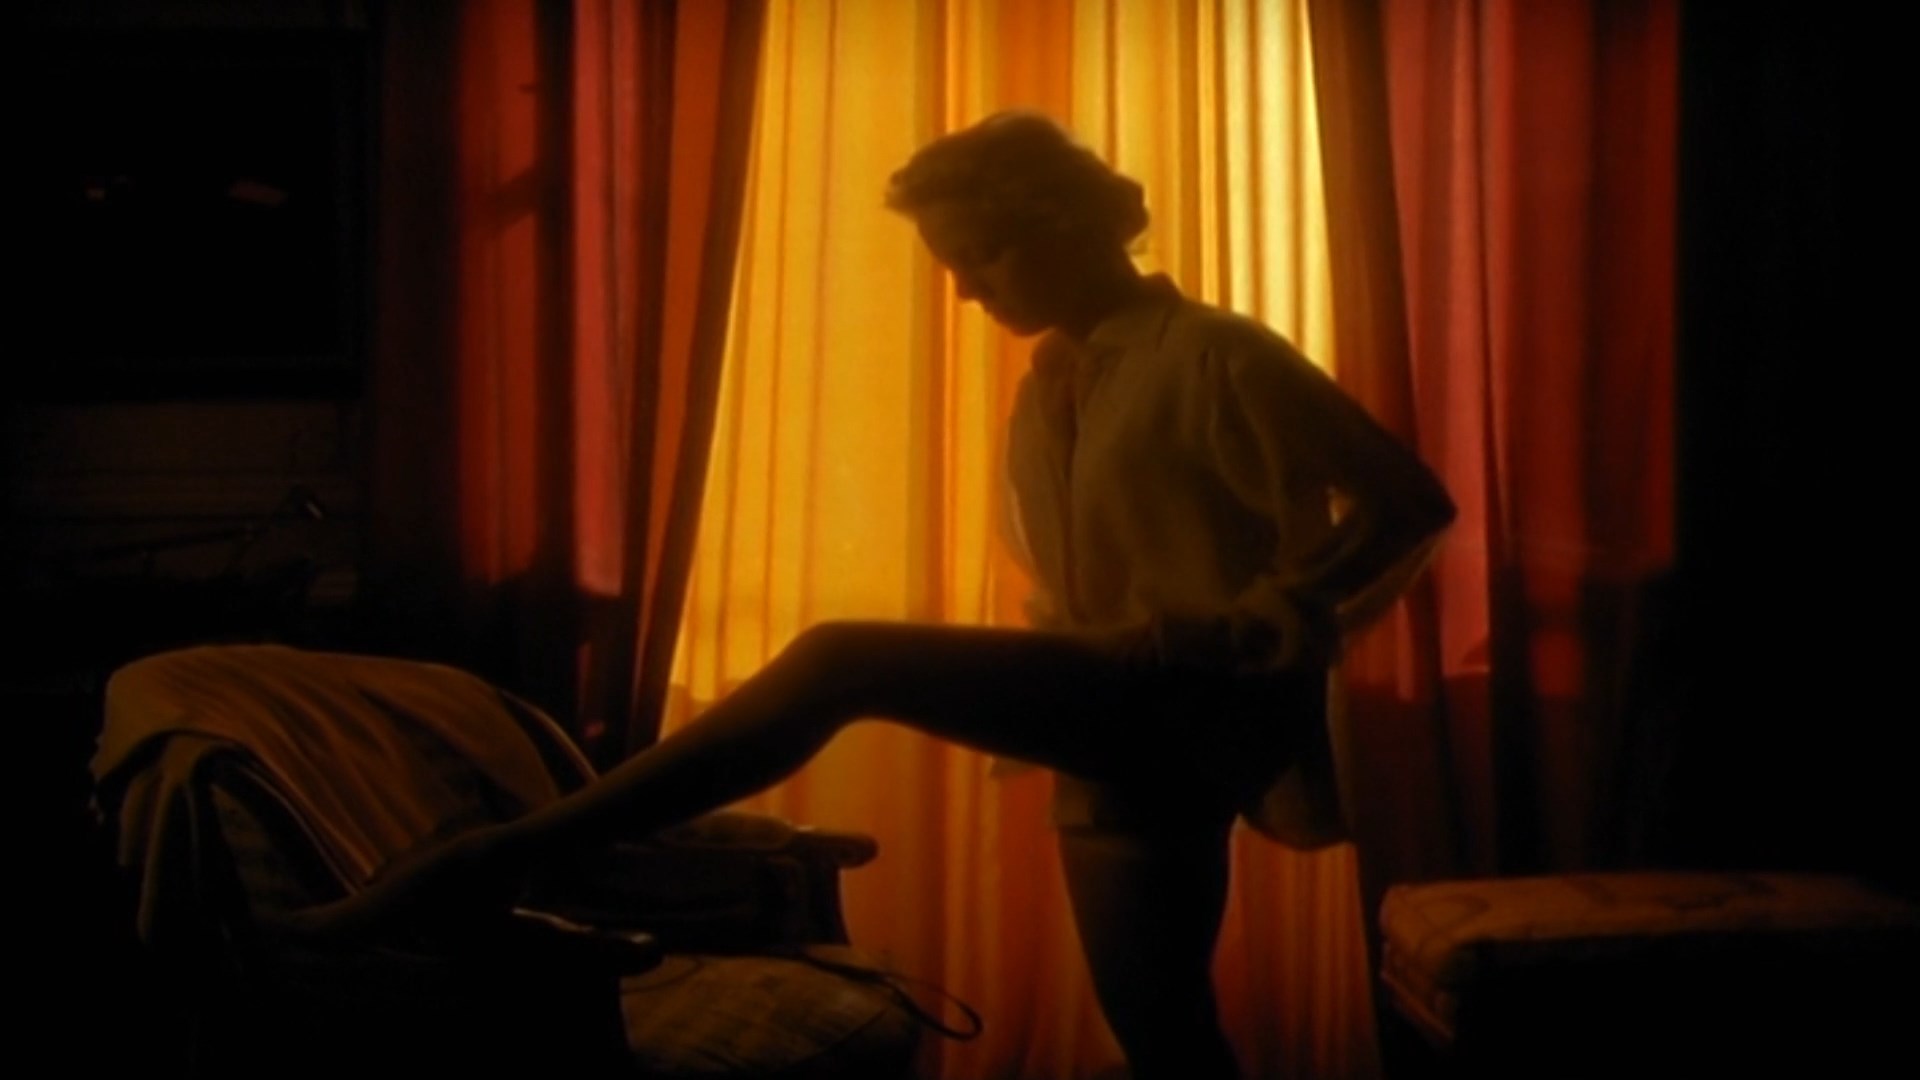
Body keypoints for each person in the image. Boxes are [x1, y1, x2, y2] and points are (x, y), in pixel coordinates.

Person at [297, 112, 1455, 1080]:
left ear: (1062, 226)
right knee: (1163, 1033)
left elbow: (1408, 501)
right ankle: (492, 867)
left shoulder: (1219, 353)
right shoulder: (1054, 381)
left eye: (981, 257)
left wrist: (1275, 610)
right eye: (951, 265)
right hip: (1113, 720)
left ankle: (490, 861)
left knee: (845, 659)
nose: (963, 293)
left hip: (1183, 694)